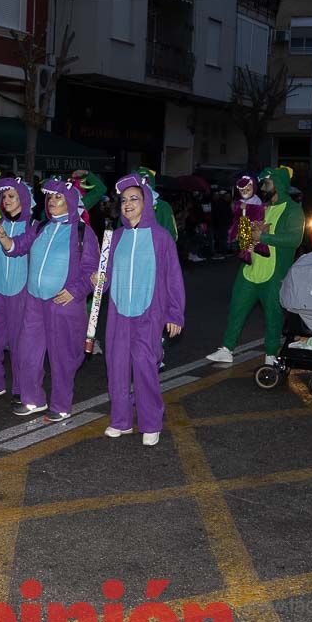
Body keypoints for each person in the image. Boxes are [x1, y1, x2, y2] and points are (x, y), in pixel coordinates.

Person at [0, 179, 99, 422]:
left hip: (63, 303)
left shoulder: (83, 232)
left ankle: (61, 405)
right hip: (34, 301)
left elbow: (93, 271)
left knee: (62, 357)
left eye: (58, 198)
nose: (52, 202)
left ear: (70, 202)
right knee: (27, 352)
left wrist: (75, 290)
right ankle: (33, 400)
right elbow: (17, 247)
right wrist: (2, 237)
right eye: (50, 198)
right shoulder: (41, 227)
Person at [102, 175, 185, 446]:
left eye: (134, 199)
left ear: (146, 202)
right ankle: (121, 421)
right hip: (118, 312)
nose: (128, 204)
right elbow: (107, 274)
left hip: (149, 311)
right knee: (116, 366)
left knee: (144, 366)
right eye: (124, 200)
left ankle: (151, 422)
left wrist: (174, 313)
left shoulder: (160, 237)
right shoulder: (116, 237)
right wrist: (98, 282)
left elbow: (173, 277)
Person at [205, 167, 303, 367]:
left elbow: (295, 239)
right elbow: (244, 237)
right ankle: (226, 349)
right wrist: (243, 229)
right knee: (236, 308)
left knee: (273, 314)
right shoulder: (261, 206)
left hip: (274, 272)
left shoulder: (293, 210)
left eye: (267, 183)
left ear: (279, 184)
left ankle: (270, 354)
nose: (263, 187)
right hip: (250, 268)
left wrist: (263, 236)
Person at [0, 177, 33, 403]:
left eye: (12, 196)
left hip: (22, 292)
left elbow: (19, 247)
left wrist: (3, 237)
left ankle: (22, 387)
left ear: (23, 199)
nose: (6, 200)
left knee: (22, 343)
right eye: (4, 197)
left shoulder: (34, 225)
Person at [135, 168, 178, 241]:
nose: (143, 184)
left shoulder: (163, 207)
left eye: (146, 180)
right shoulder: (128, 206)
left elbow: (173, 235)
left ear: (152, 184)